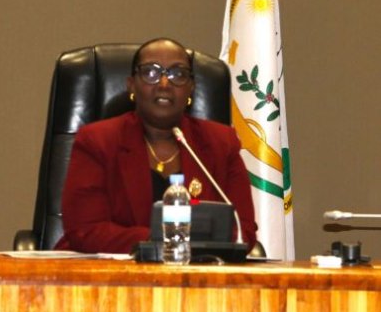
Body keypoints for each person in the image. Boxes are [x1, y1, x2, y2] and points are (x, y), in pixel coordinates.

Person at [55, 38, 256, 253]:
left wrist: (175, 242)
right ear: (132, 85)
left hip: (197, 272)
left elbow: (243, 232)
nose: (164, 84)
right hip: (114, 272)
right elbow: (85, 231)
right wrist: (164, 239)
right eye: (151, 72)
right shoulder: (97, 141)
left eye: (178, 74)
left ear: (191, 88)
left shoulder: (222, 143)